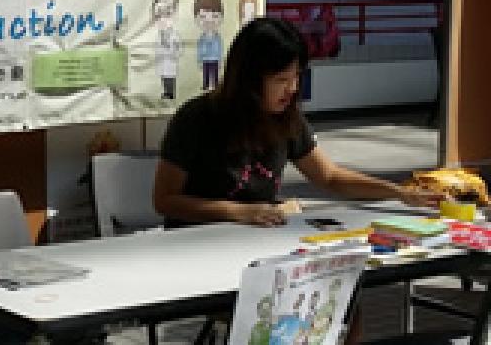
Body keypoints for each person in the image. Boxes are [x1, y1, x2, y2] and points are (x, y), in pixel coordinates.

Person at [153, 16, 442, 228]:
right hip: (200, 244)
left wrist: (400, 193)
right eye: (281, 80)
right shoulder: (196, 119)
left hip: (260, 236)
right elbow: (165, 200)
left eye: (296, 77)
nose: (292, 89)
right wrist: (240, 212)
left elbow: (329, 177)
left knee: (341, 281)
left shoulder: (286, 118)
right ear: (250, 80)